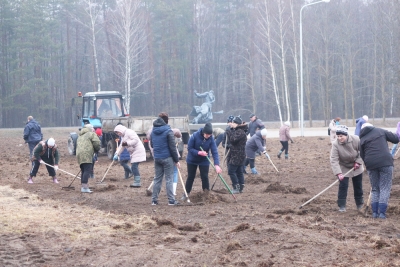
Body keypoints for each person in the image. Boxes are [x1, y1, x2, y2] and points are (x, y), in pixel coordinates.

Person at [360, 123, 399, 219]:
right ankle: (381, 213)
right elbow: (396, 139)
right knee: (385, 187)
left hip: (371, 164)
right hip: (385, 162)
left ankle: (374, 213)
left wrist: (367, 164)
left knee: (375, 188)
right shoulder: (380, 131)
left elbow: (362, 155)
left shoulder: (362, 138)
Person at [330, 125, 364, 212]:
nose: (339, 138)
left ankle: (360, 204)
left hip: (356, 166)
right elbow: (334, 159)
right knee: (343, 186)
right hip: (343, 167)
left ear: (346, 135)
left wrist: (358, 162)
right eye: (338, 136)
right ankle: (342, 206)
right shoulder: (335, 144)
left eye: (341, 136)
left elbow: (363, 151)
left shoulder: (356, 139)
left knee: (358, 186)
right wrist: (338, 173)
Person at [183, 122, 222, 199]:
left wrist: (216, 165)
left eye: (210, 135)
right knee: (191, 177)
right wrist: (198, 152)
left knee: (205, 177)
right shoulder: (194, 136)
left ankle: (206, 194)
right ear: (203, 132)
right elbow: (189, 148)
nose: (208, 136)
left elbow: (214, 151)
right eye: (207, 134)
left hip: (204, 160)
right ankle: (186, 193)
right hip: (192, 160)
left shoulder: (211, 138)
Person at [150, 112, 181, 205]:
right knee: (169, 179)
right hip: (167, 158)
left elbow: (152, 145)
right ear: (166, 121)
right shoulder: (168, 131)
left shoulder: (153, 132)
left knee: (157, 179)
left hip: (157, 158)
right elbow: (172, 147)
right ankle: (171, 200)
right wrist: (176, 160)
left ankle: (154, 200)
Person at [225, 116, 248, 194]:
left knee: (231, 171)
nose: (232, 124)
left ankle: (236, 186)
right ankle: (241, 187)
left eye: (233, 122)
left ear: (237, 123)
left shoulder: (240, 132)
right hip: (240, 154)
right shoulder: (240, 131)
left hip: (237, 155)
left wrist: (228, 132)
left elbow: (232, 140)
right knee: (239, 171)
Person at [76, 124, 101, 193]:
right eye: (93, 128)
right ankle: (85, 188)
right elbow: (97, 143)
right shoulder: (91, 134)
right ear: (90, 128)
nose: (94, 129)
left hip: (79, 154)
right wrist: (97, 149)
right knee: (87, 170)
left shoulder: (80, 136)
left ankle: (83, 187)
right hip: (87, 154)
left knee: (83, 170)